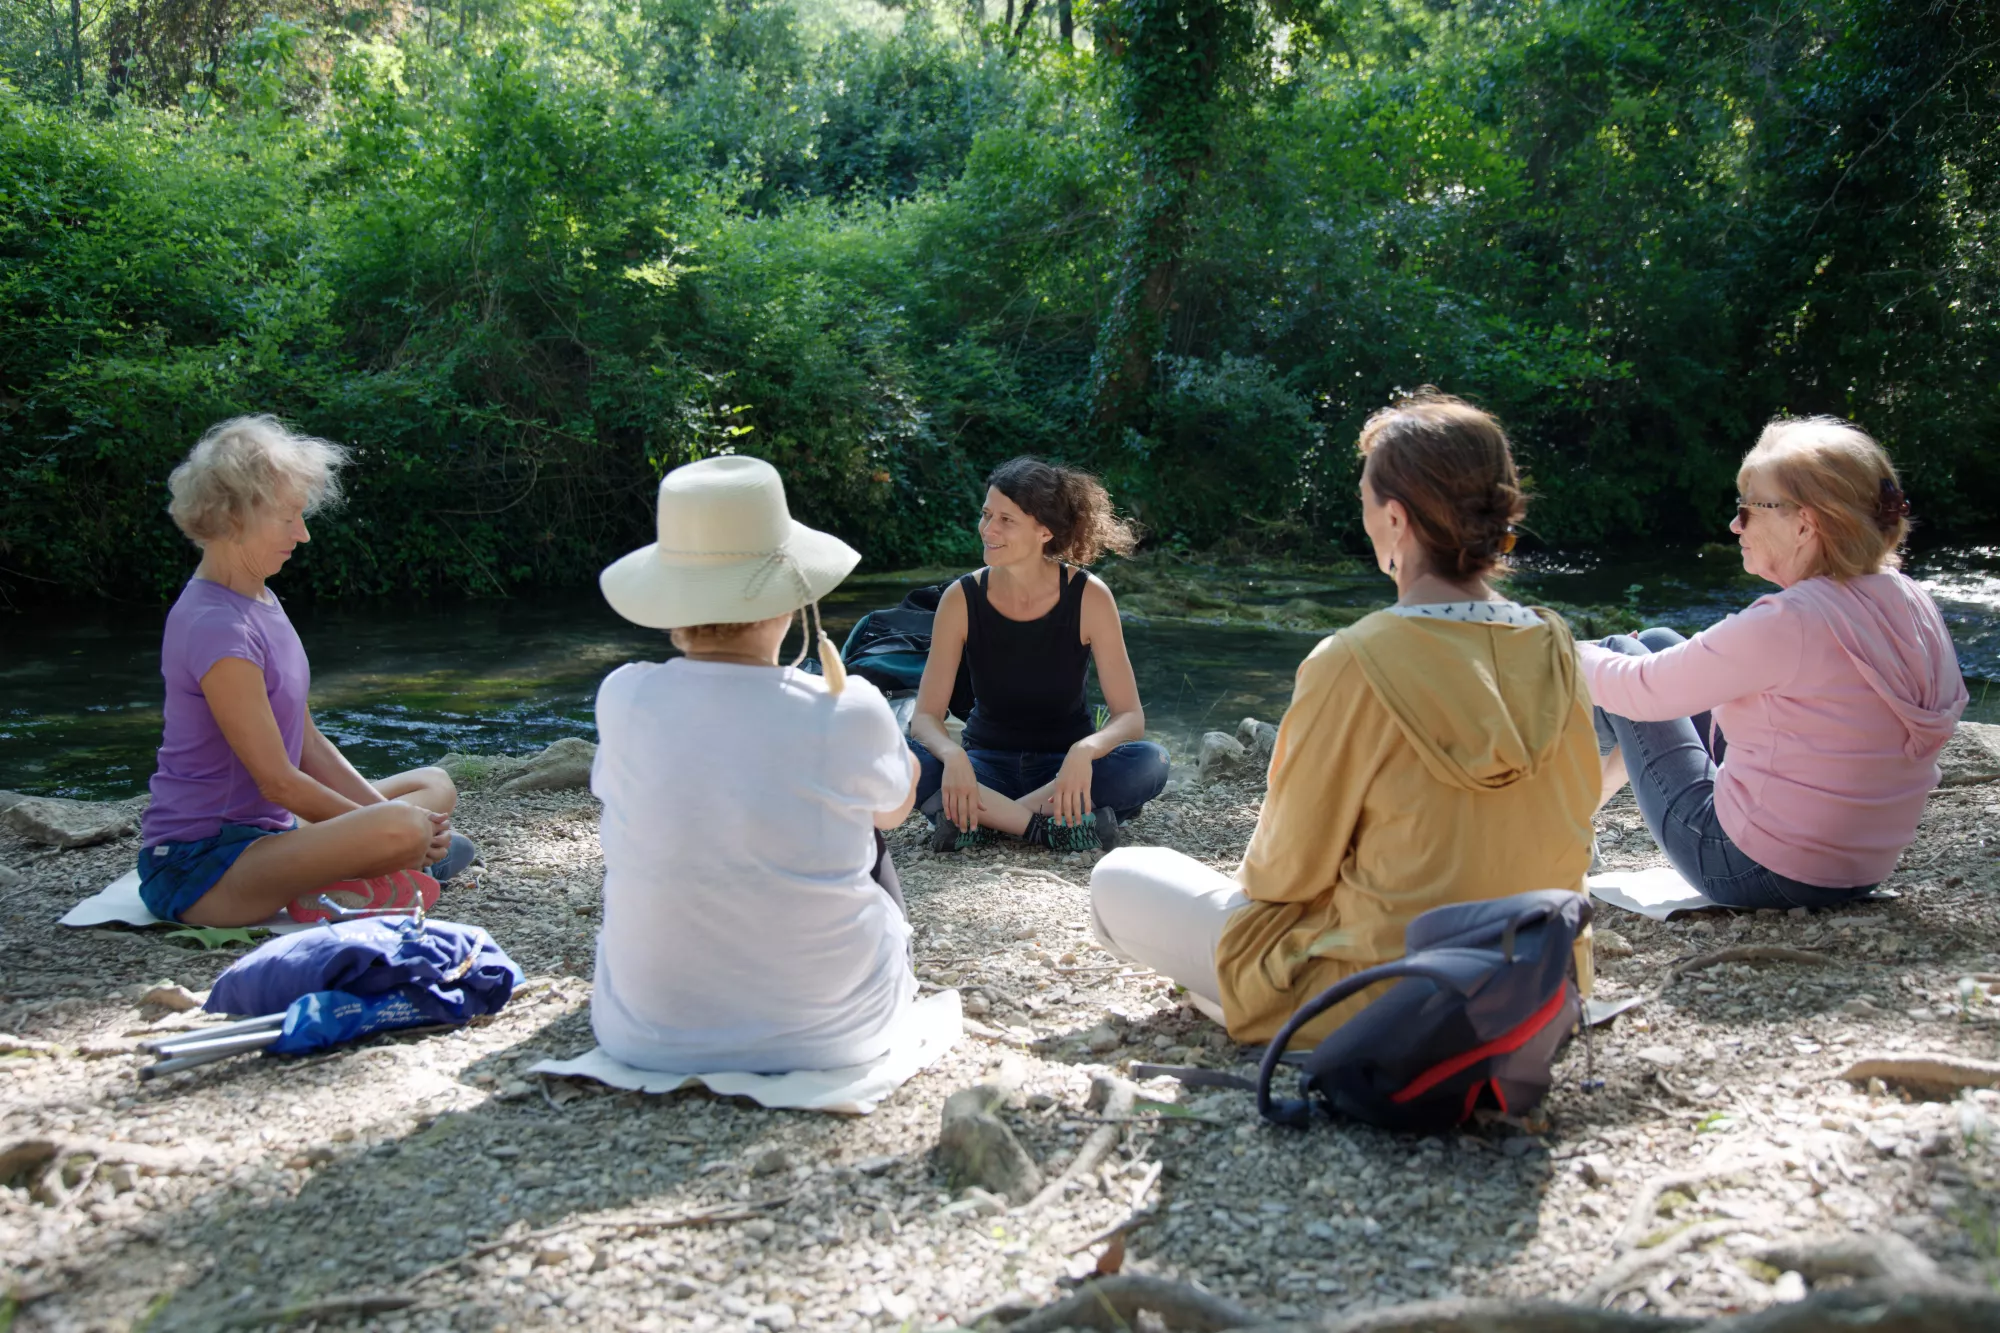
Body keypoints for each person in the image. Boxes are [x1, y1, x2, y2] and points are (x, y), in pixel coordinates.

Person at [1089, 392, 1600, 1047]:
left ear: (1395, 518)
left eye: (1363, 499)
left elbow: (1281, 875)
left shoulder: (1351, 660)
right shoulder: (1559, 647)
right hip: (1540, 978)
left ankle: (1242, 1008)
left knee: (1116, 878)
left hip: (1382, 992)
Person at [588, 455, 920, 1074]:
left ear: (671, 604)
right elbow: (895, 811)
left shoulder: (624, 696)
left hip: (643, 1034)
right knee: (865, 823)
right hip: (837, 1033)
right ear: (790, 602)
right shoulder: (848, 708)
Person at [1580, 417, 1965, 910]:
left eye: (1748, 509)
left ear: (1804, 523)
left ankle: (1540, 824)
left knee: (1617, 656)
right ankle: (1570, 819)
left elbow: (1639, 689)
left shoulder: (1791, 620)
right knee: (1657, 641)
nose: (1734, 525)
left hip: (1749, 867)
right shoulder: (1909, 600)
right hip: (1858, 868)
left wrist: (1563, 647)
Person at [137, 417, 475, 929]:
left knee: (434, 784)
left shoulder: (258, 598)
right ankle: (368, 869)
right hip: (202, 869)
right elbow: (278, 782)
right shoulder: (216, 627)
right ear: (234, 517)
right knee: (406, 827)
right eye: (288, 517)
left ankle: (361, 869)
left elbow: (307, 742)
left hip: (269, 839)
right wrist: (395, 831)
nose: (304, 534)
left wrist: (392, 825)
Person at [908, 458, 1169, 854]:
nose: (988, 529)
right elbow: (926, 717)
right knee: (897, 757)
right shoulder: (961, 598)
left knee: (1150, 761)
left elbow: (1130, 718)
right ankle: (1047, 828)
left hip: (1063, 770)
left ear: (1044, 531)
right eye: (986, 514)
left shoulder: (1090, 597)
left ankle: (977, 820)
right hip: (983, 766)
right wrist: (952, 753)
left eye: (1006, 520)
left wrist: (1085, 751)